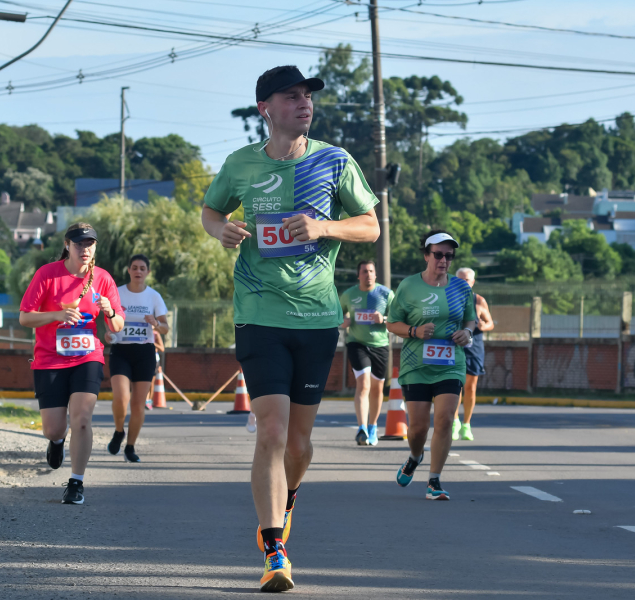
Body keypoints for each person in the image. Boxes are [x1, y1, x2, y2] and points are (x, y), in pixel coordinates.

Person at [201, 65, 379, 592]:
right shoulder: (241, 164)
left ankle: (287, 496)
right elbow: (209, 212)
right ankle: (274, 546)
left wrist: (325, 225)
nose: (304, 104)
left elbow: (370, 225)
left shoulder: (334, 161)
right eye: (291, 96)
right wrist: (222, 230)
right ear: (266, 109)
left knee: (299, 445)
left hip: (318, 318)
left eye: (307, 96)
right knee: (272, 431)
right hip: (258, 313)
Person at [19, 223, 124, 505]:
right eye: (79, 244)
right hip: (50, 359)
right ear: (67, 245)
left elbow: (117, 326)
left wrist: (110, 311)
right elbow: (25, 318)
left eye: (90, 244)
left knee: (81, 419)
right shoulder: (47, 274)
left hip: (87, 357)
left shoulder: (102, 279)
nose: (85, 249)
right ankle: (56, 442)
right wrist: (56, 315)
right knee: (54, 428)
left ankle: (76, 482)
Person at [386, 230, 476, 501]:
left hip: (451, 363)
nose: (443, 260)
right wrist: (414, 331)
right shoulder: (409, 286)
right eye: (438, 255)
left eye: (449, 256)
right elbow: (392, 323)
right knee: (417, 429)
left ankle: (434, 480)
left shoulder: (461, 287)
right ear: (426, 255)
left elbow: (470, 319)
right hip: (416, 364)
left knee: (446, 419)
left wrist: (468, 333)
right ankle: (415, 456)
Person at [105, 255, 169, 463]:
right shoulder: (118, 293)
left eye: (142, 268)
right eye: (134, 268)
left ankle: (130, 447)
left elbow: (166, 328)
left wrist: (156, 324)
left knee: (138, 404)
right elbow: (109, 319)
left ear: (148, 272)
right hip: (121, 350)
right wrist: (108, 334)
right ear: (128, 270)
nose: (138, 271)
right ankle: (118, 431)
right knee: (121, 397)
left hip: (144, 353)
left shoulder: (154, 297)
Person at [340, 260, 393, 446]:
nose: (368, 274)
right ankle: (361, 428)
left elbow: (398, 319)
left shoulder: (385, 294)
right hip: (357, 344)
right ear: (358, 275)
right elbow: (336, 315)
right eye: (364, 271)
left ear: (375, 274)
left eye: (371, 271)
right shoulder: (349, 295)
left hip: (380, 345)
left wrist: (384, 318)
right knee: (363, 384)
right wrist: (343, 322)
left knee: (377, 389)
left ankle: (372, 426)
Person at [452, 268, 494, 442]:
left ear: (473, 282)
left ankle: (466, 424)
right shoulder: (448, 298)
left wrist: (484, 325)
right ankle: (454, 422)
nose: (464, 282)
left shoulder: (479, 300)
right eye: (461, 279)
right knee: (454, 386)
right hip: (453, 347)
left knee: (470, 386)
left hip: (473, 347)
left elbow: (490, 322)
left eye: (467, 280)